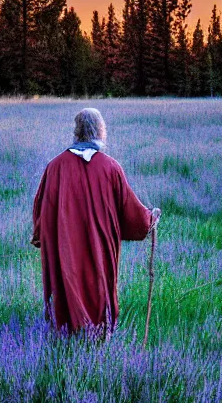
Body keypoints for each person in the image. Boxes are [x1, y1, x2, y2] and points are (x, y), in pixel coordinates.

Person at [31, 108, 161, 339]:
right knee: (99, 287)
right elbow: (131, 212)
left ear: (76, 131)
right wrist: (150, 218)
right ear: (100, 130)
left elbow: (42, 211)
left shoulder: (55, 167)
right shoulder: (110, 167)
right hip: (99, 248)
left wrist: (43, 234)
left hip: (65, 249)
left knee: (65, 284)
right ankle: (98, 337)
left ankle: (67, 337)